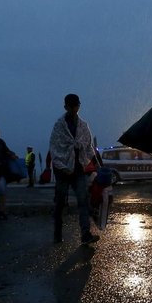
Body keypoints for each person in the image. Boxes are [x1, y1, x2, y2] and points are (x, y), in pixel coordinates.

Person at [49, 94, 100, 246]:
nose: (74, 109)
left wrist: (97, 165)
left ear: (79, 106)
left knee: (83, 200)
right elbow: (54, 148)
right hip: (62, 171)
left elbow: (89, 147)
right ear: (66, 107)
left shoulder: (83, 126)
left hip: (78, 169)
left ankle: (85, 234)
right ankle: (57, 232)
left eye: (76, 106)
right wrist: (62, 168)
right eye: (71, 107)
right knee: (60, 202)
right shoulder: (59, 126)